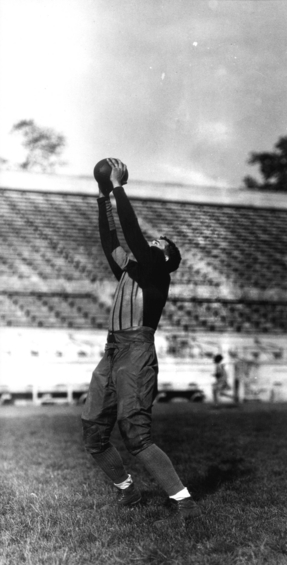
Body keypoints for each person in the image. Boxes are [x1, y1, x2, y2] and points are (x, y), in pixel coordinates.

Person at [81, 158, 200, 527]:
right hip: (113, 349)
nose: (152, 240)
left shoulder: (155, 273)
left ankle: (184, 504)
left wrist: (118, 187)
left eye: (159, 243)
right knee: (93, 430)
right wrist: (103, 197)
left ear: (165, 259)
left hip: (136, 352)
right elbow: (110, 241)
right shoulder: (132, 269)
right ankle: (127, 489)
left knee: (135, 432)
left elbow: (132, 236)